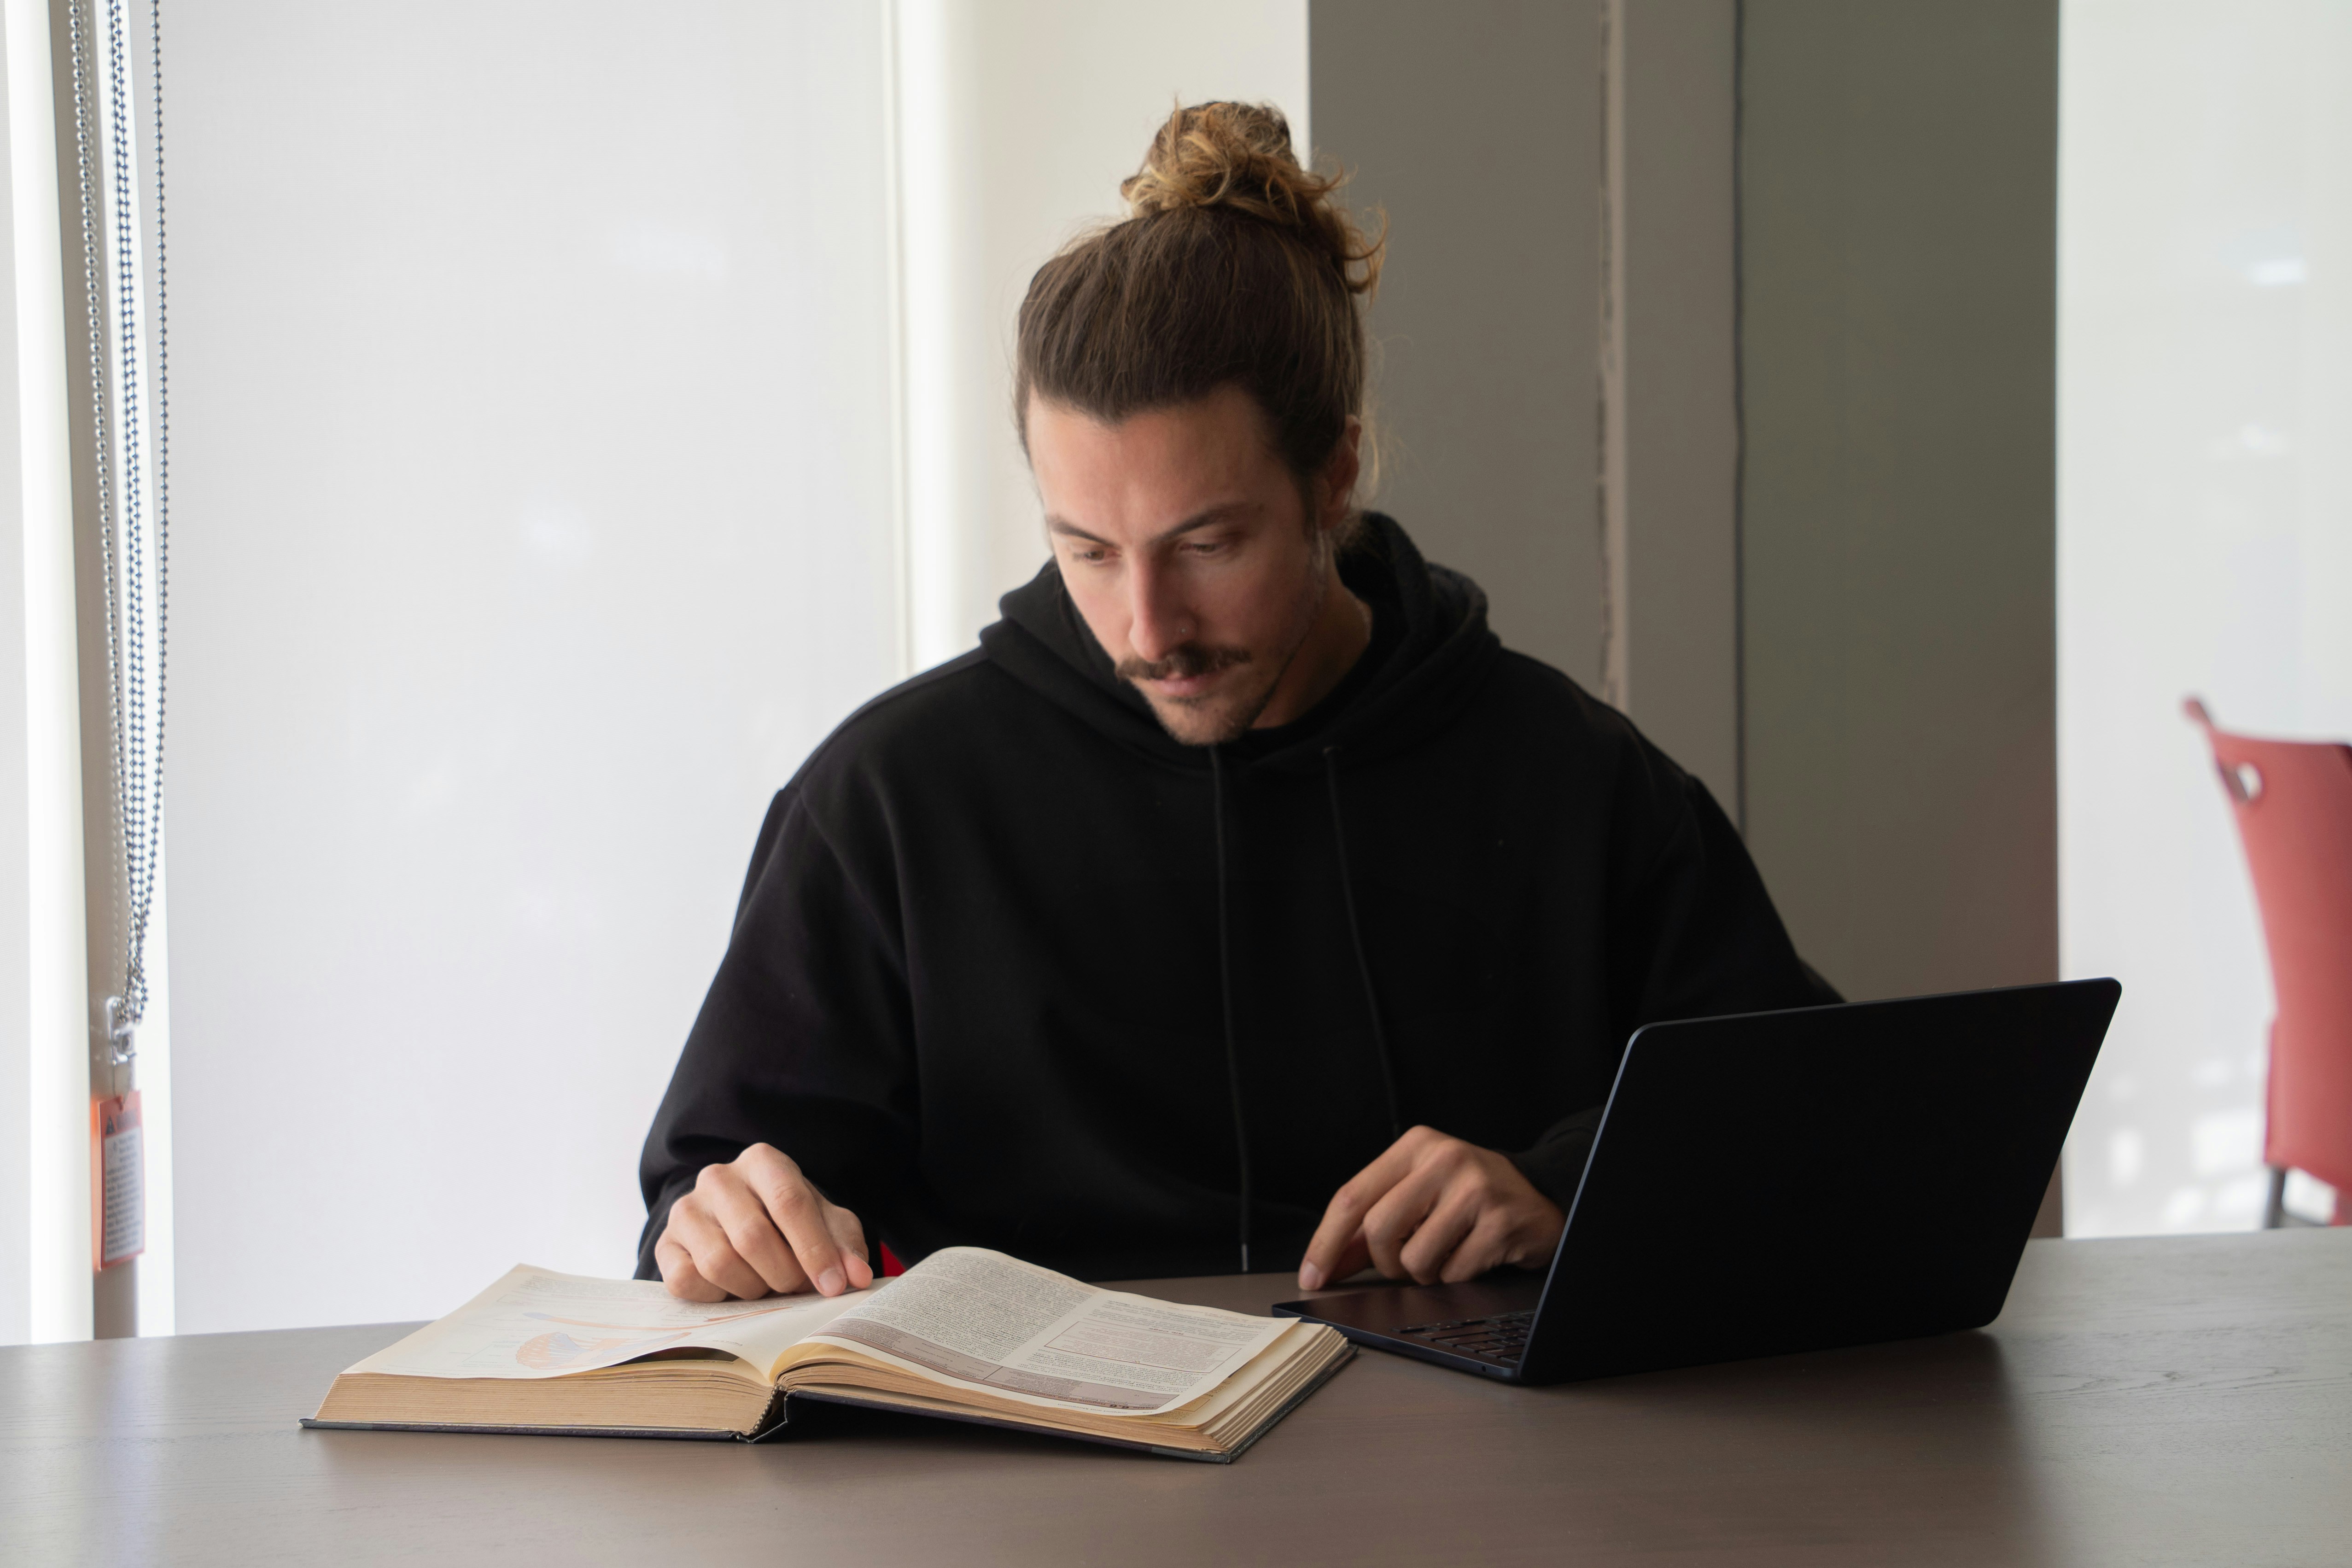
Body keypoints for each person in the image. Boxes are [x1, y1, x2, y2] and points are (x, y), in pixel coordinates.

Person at [636, 102, 1835, 1305]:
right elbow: (703, 1211)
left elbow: (1814, 1117)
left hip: (1477, 1475)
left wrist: (1560, 1186)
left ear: (1332, 477)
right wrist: (724, 1223)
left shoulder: (1569, 778)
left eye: (1205, 545)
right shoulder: (891, 801)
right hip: (1041, 1481)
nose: (1147, 632)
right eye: (1088, 553)